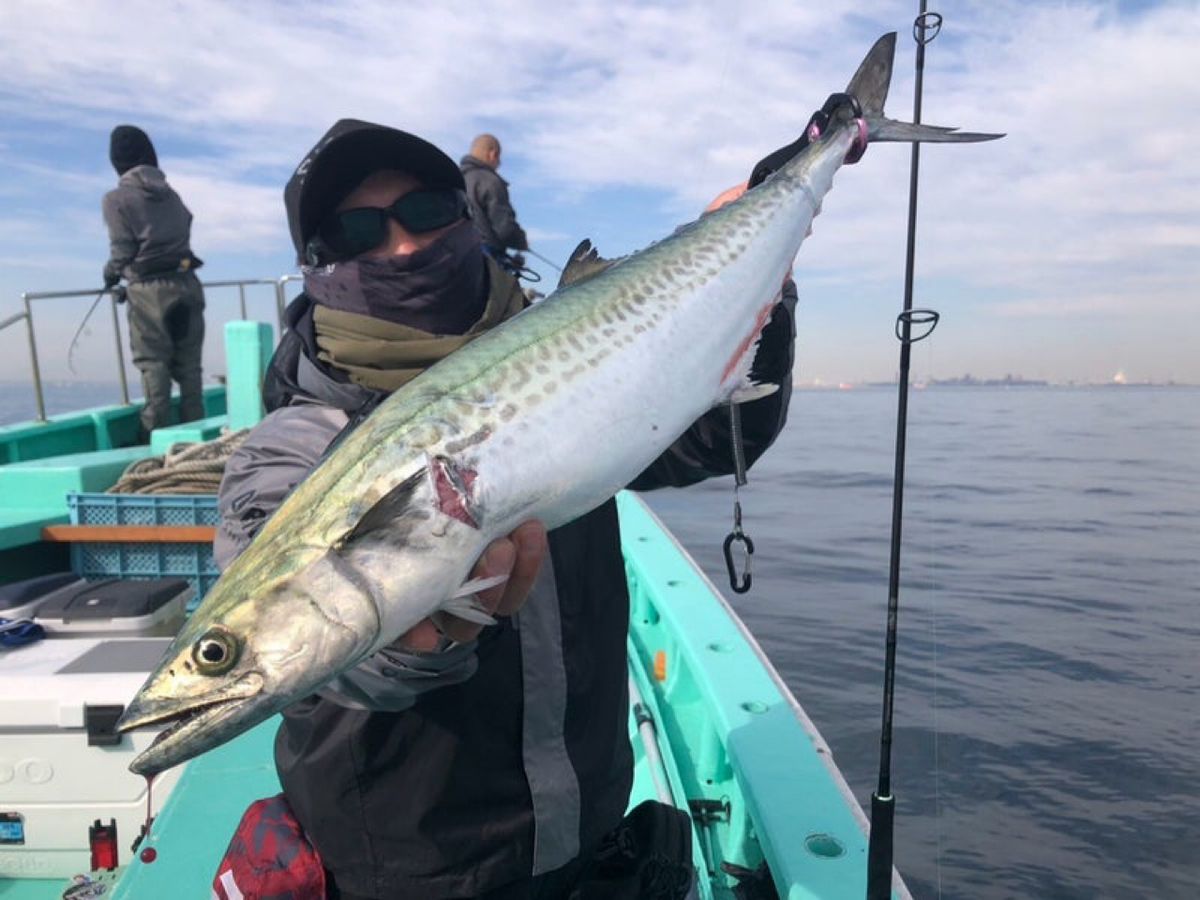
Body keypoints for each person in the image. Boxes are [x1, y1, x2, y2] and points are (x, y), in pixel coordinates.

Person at [213, 117, 798, 900]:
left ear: (465, 217)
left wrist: (755, 276)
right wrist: (408, 640)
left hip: (589, 826)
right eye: (358, 230)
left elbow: (710, 443)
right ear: (318, 264)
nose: (404, 246)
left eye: (425, 212)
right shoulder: (290, 449)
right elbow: (327, 655)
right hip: (409, 870)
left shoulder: (573, 359)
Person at [102, 124, 207, 435]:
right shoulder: (172, 196)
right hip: (187, 284)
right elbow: (186, 223)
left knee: (154, 363)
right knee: (189, 367)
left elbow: (122, 250)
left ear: (116, 162)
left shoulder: (116, 199)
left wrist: (111, 274)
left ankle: (153, 434)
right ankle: (196, 434)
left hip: (149, 293)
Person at [460, 133, 529, 270]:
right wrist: (522, 242)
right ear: (493, 154)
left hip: (457, 258)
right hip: (485, 261)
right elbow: (505, 229)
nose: (499, 164)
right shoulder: (491, 182)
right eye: (499, 158)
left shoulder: (455, 180)